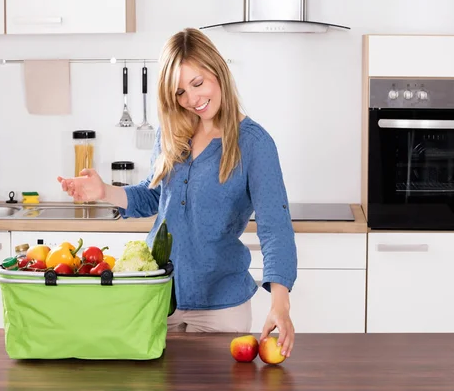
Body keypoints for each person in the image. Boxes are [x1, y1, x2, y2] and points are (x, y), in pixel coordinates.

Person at [57, 28, 298, 358]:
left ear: (218, 71)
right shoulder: (172, 132)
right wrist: (104, 191)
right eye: (180, 92)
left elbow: (275, 228)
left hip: (220, 308)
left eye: (197, 84)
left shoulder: (254, 144)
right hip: (158, 297)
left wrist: (280, 305)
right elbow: (156, 197)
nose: (191, 100)